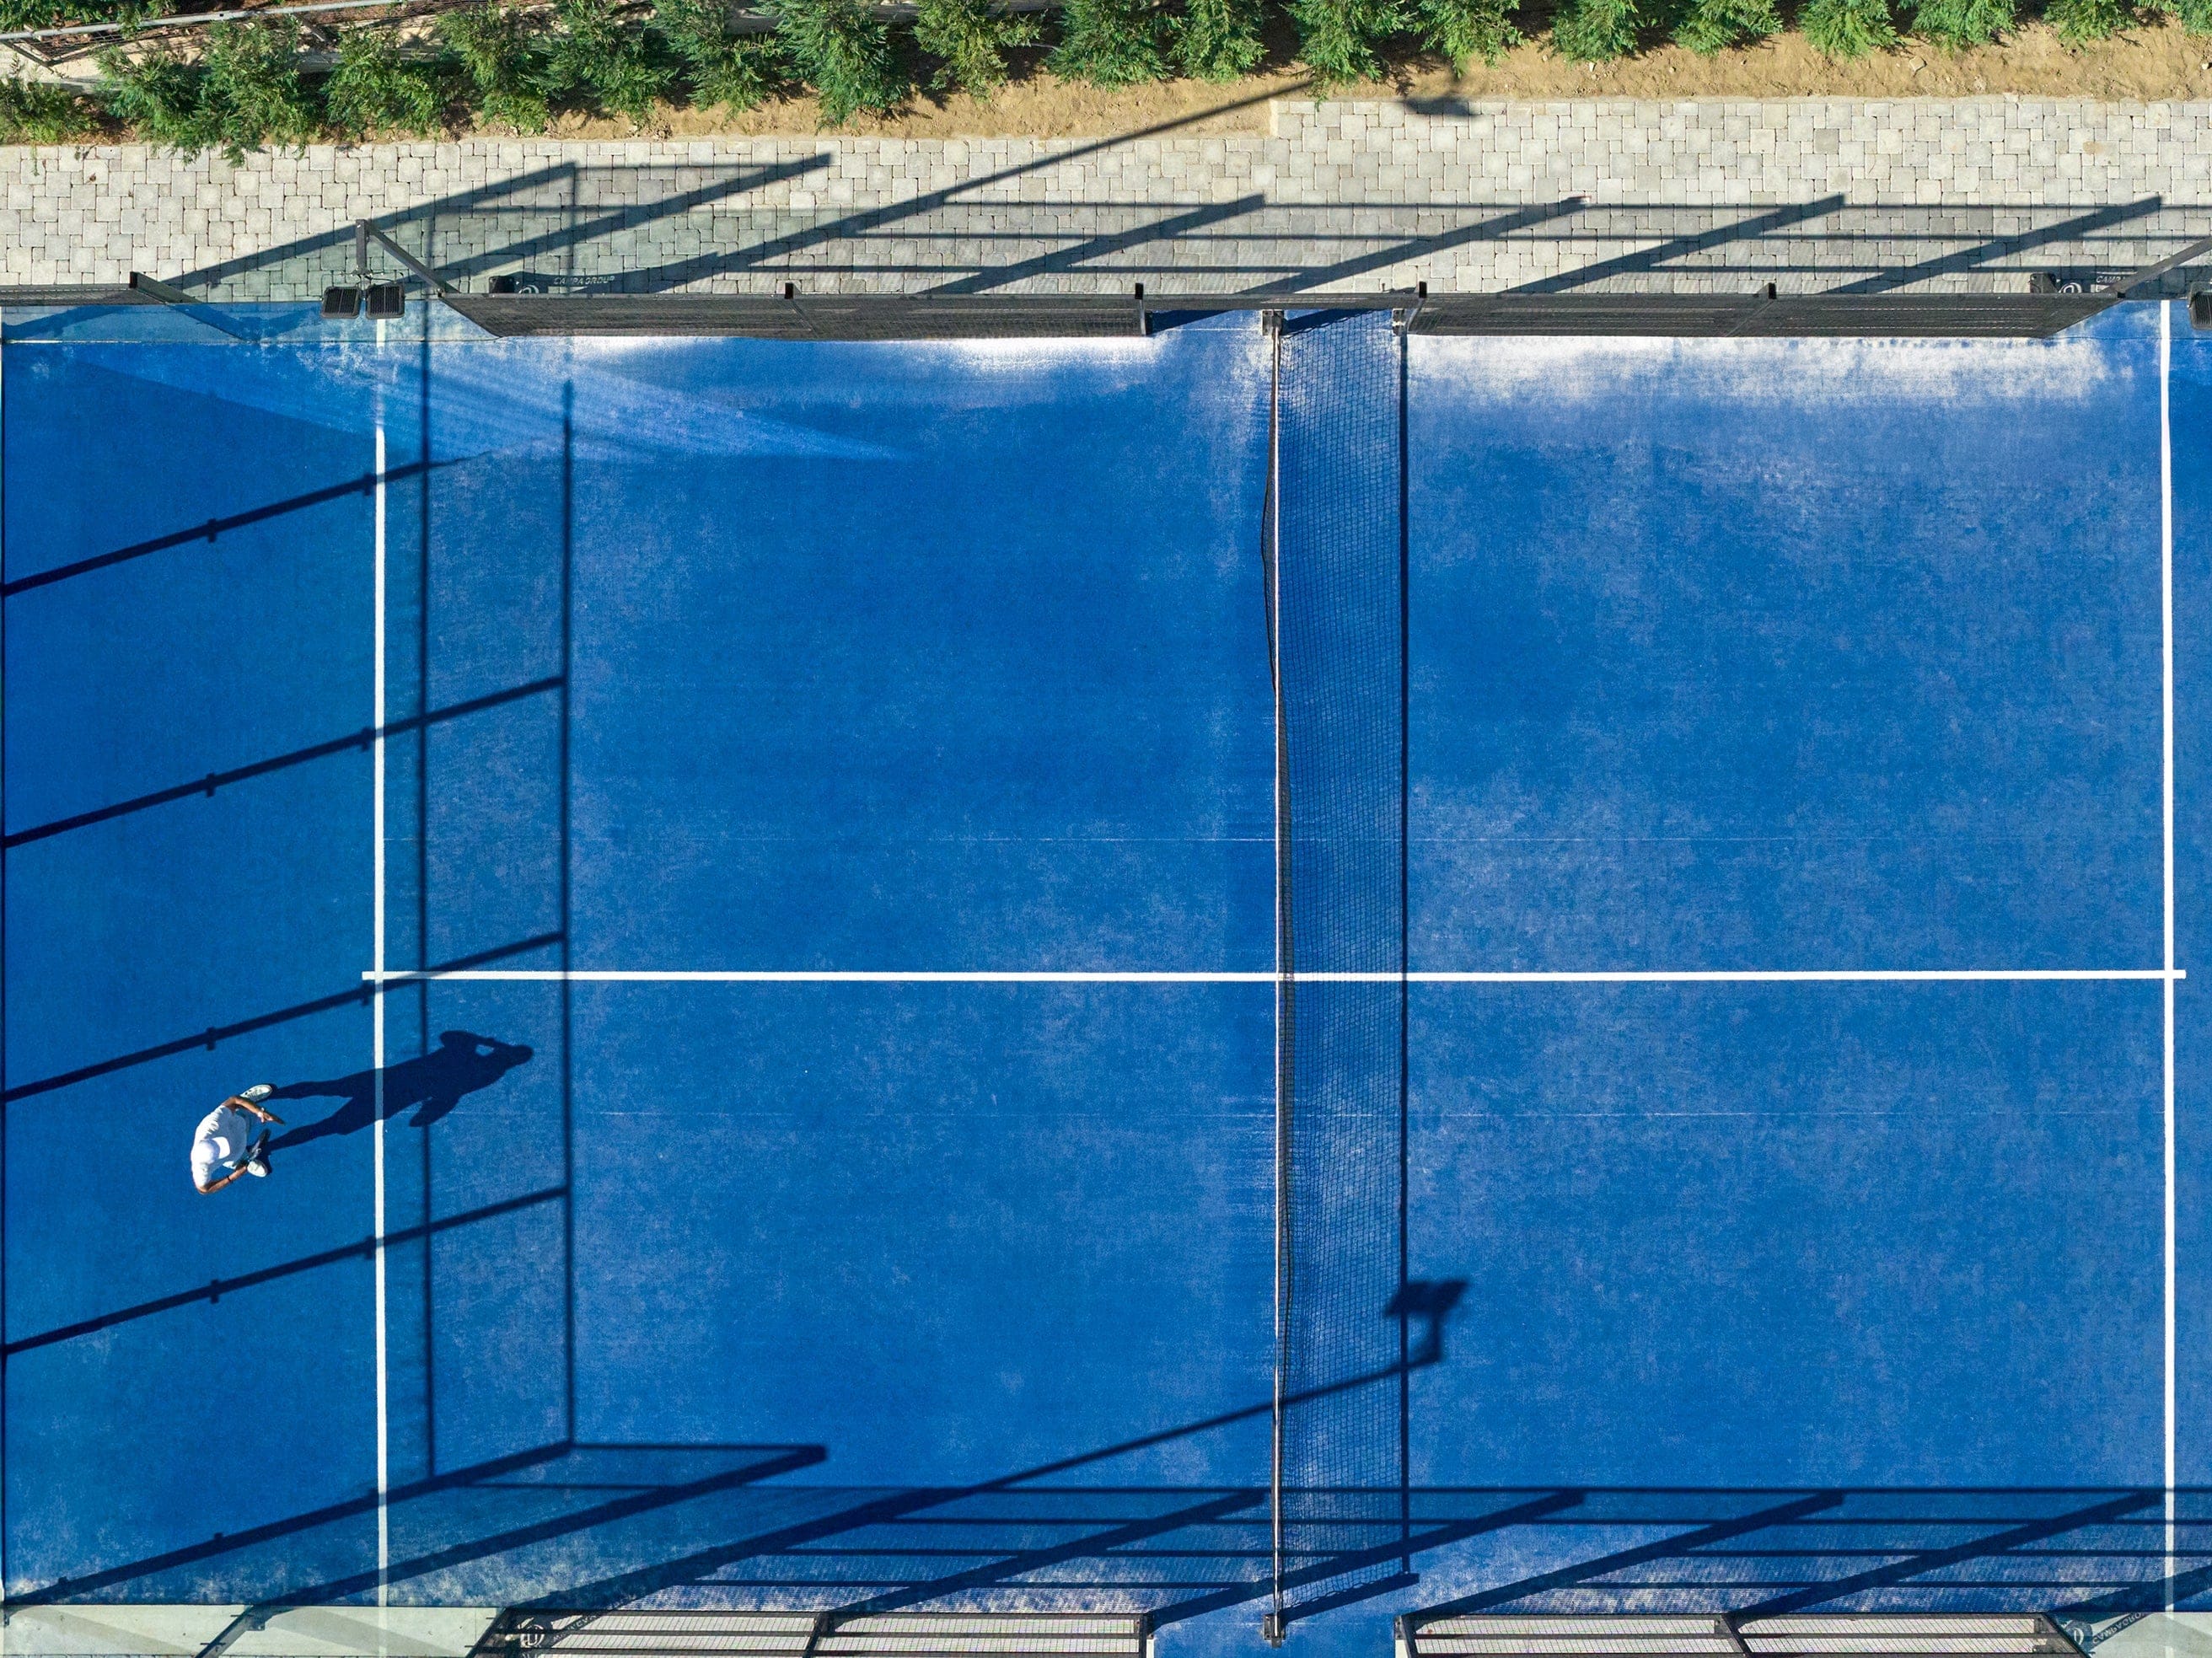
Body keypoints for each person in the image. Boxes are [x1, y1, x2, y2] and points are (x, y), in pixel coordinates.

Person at [191, 1085, 285, 1194]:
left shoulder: (211, 1125)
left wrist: (259, 1112)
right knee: (236, 1160)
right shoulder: (200, 1169)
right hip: (235, 1156)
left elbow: (234, 1100)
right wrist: (233, 1177)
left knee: (243, 1106)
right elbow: (204, 1189)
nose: (226, 1144)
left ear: (211, 1139)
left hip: (241, 1121)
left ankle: (247, 1099)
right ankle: (244, 1161)